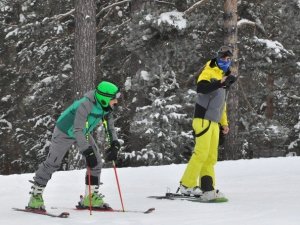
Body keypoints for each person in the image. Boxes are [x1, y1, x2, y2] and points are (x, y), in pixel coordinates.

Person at [27, 80, 121, 210]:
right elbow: (77, 129)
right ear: (104, 98)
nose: (116, 102)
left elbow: (110, 128)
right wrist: (87, 151)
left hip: (83, 131)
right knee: (52, 163)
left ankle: (90, 197)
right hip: (64, 131)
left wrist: (114, 143)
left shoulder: (106, 108)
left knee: (96, 162)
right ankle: (35, 197)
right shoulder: (85, 105)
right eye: (114, 99)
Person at [178, 46, 237, 201]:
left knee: (211, 157)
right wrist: (219, 82)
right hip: (202, 119)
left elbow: (221, 105)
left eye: (228, 59)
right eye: (223, 58)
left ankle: (207, 188)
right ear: (217, 58)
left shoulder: (224, 79)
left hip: (214, 122)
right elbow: (201, 88)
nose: (226, 62)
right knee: (201, 153)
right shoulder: (209, 71)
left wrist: (224, 123)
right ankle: (186, 185)